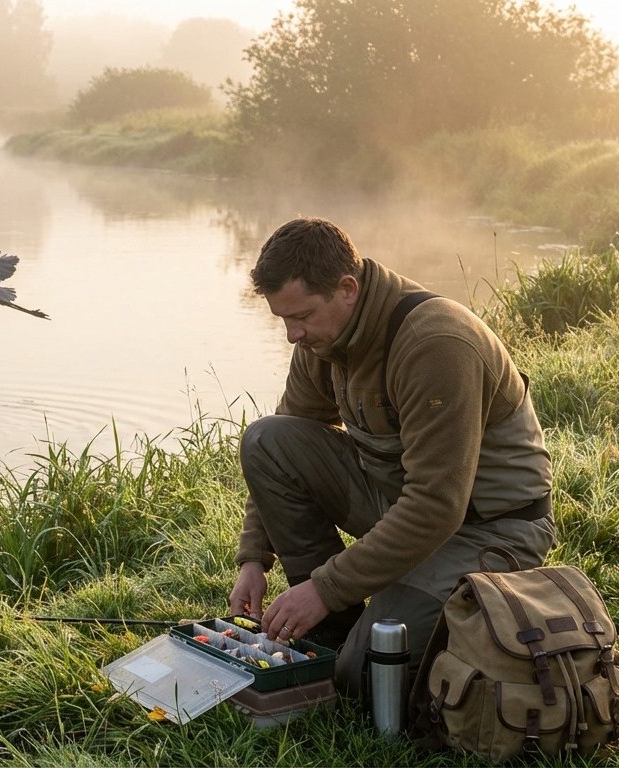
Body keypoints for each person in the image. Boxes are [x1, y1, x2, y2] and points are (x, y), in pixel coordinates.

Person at [227, 217, 556, 697]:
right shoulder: (324, 337)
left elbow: (437, 505)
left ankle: (339, 618)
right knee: (267, 440)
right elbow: (286, 437)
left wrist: (323, 587)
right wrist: (254, 557)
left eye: (301, 316)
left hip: (488, 527)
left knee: (363, 678)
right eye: (283, 320)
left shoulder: (436, 344)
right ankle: (333, 625)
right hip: (399, 503)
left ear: (347, 288)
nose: (292, 335)